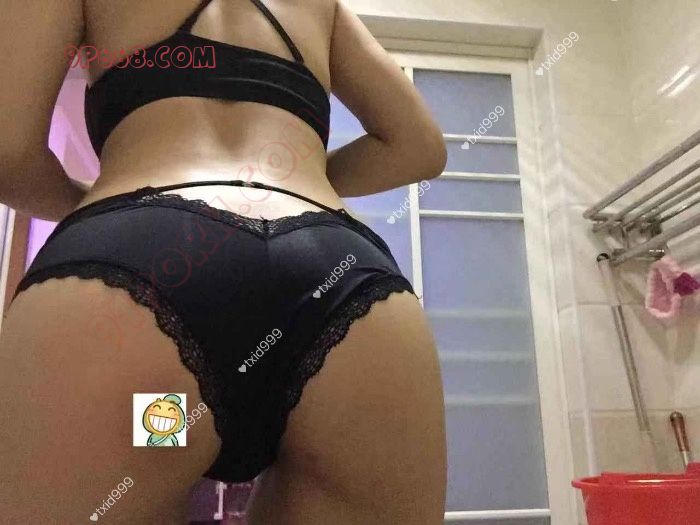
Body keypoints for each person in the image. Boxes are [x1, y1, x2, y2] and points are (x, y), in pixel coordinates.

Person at [0, 1, 447, 523]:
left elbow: (9, 155)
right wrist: (296, 188)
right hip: (341, 275)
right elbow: (420, 147)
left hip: (138, 268)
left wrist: (109, 217)